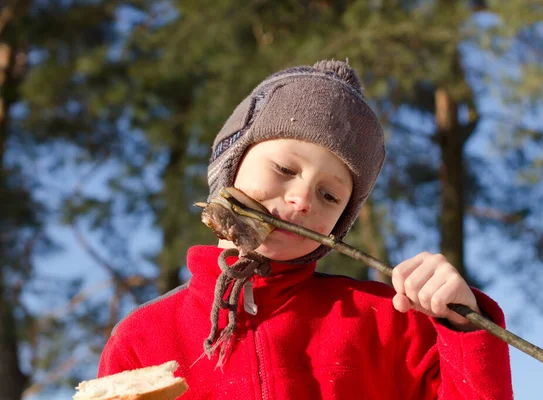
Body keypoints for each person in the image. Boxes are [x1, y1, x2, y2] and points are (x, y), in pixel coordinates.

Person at [98, 60, 513, 399]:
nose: (301, 200)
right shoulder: (142, 337)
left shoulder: (393, 322)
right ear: (229, 167)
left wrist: (464, 329)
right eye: (284, 169)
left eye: (330, 196)